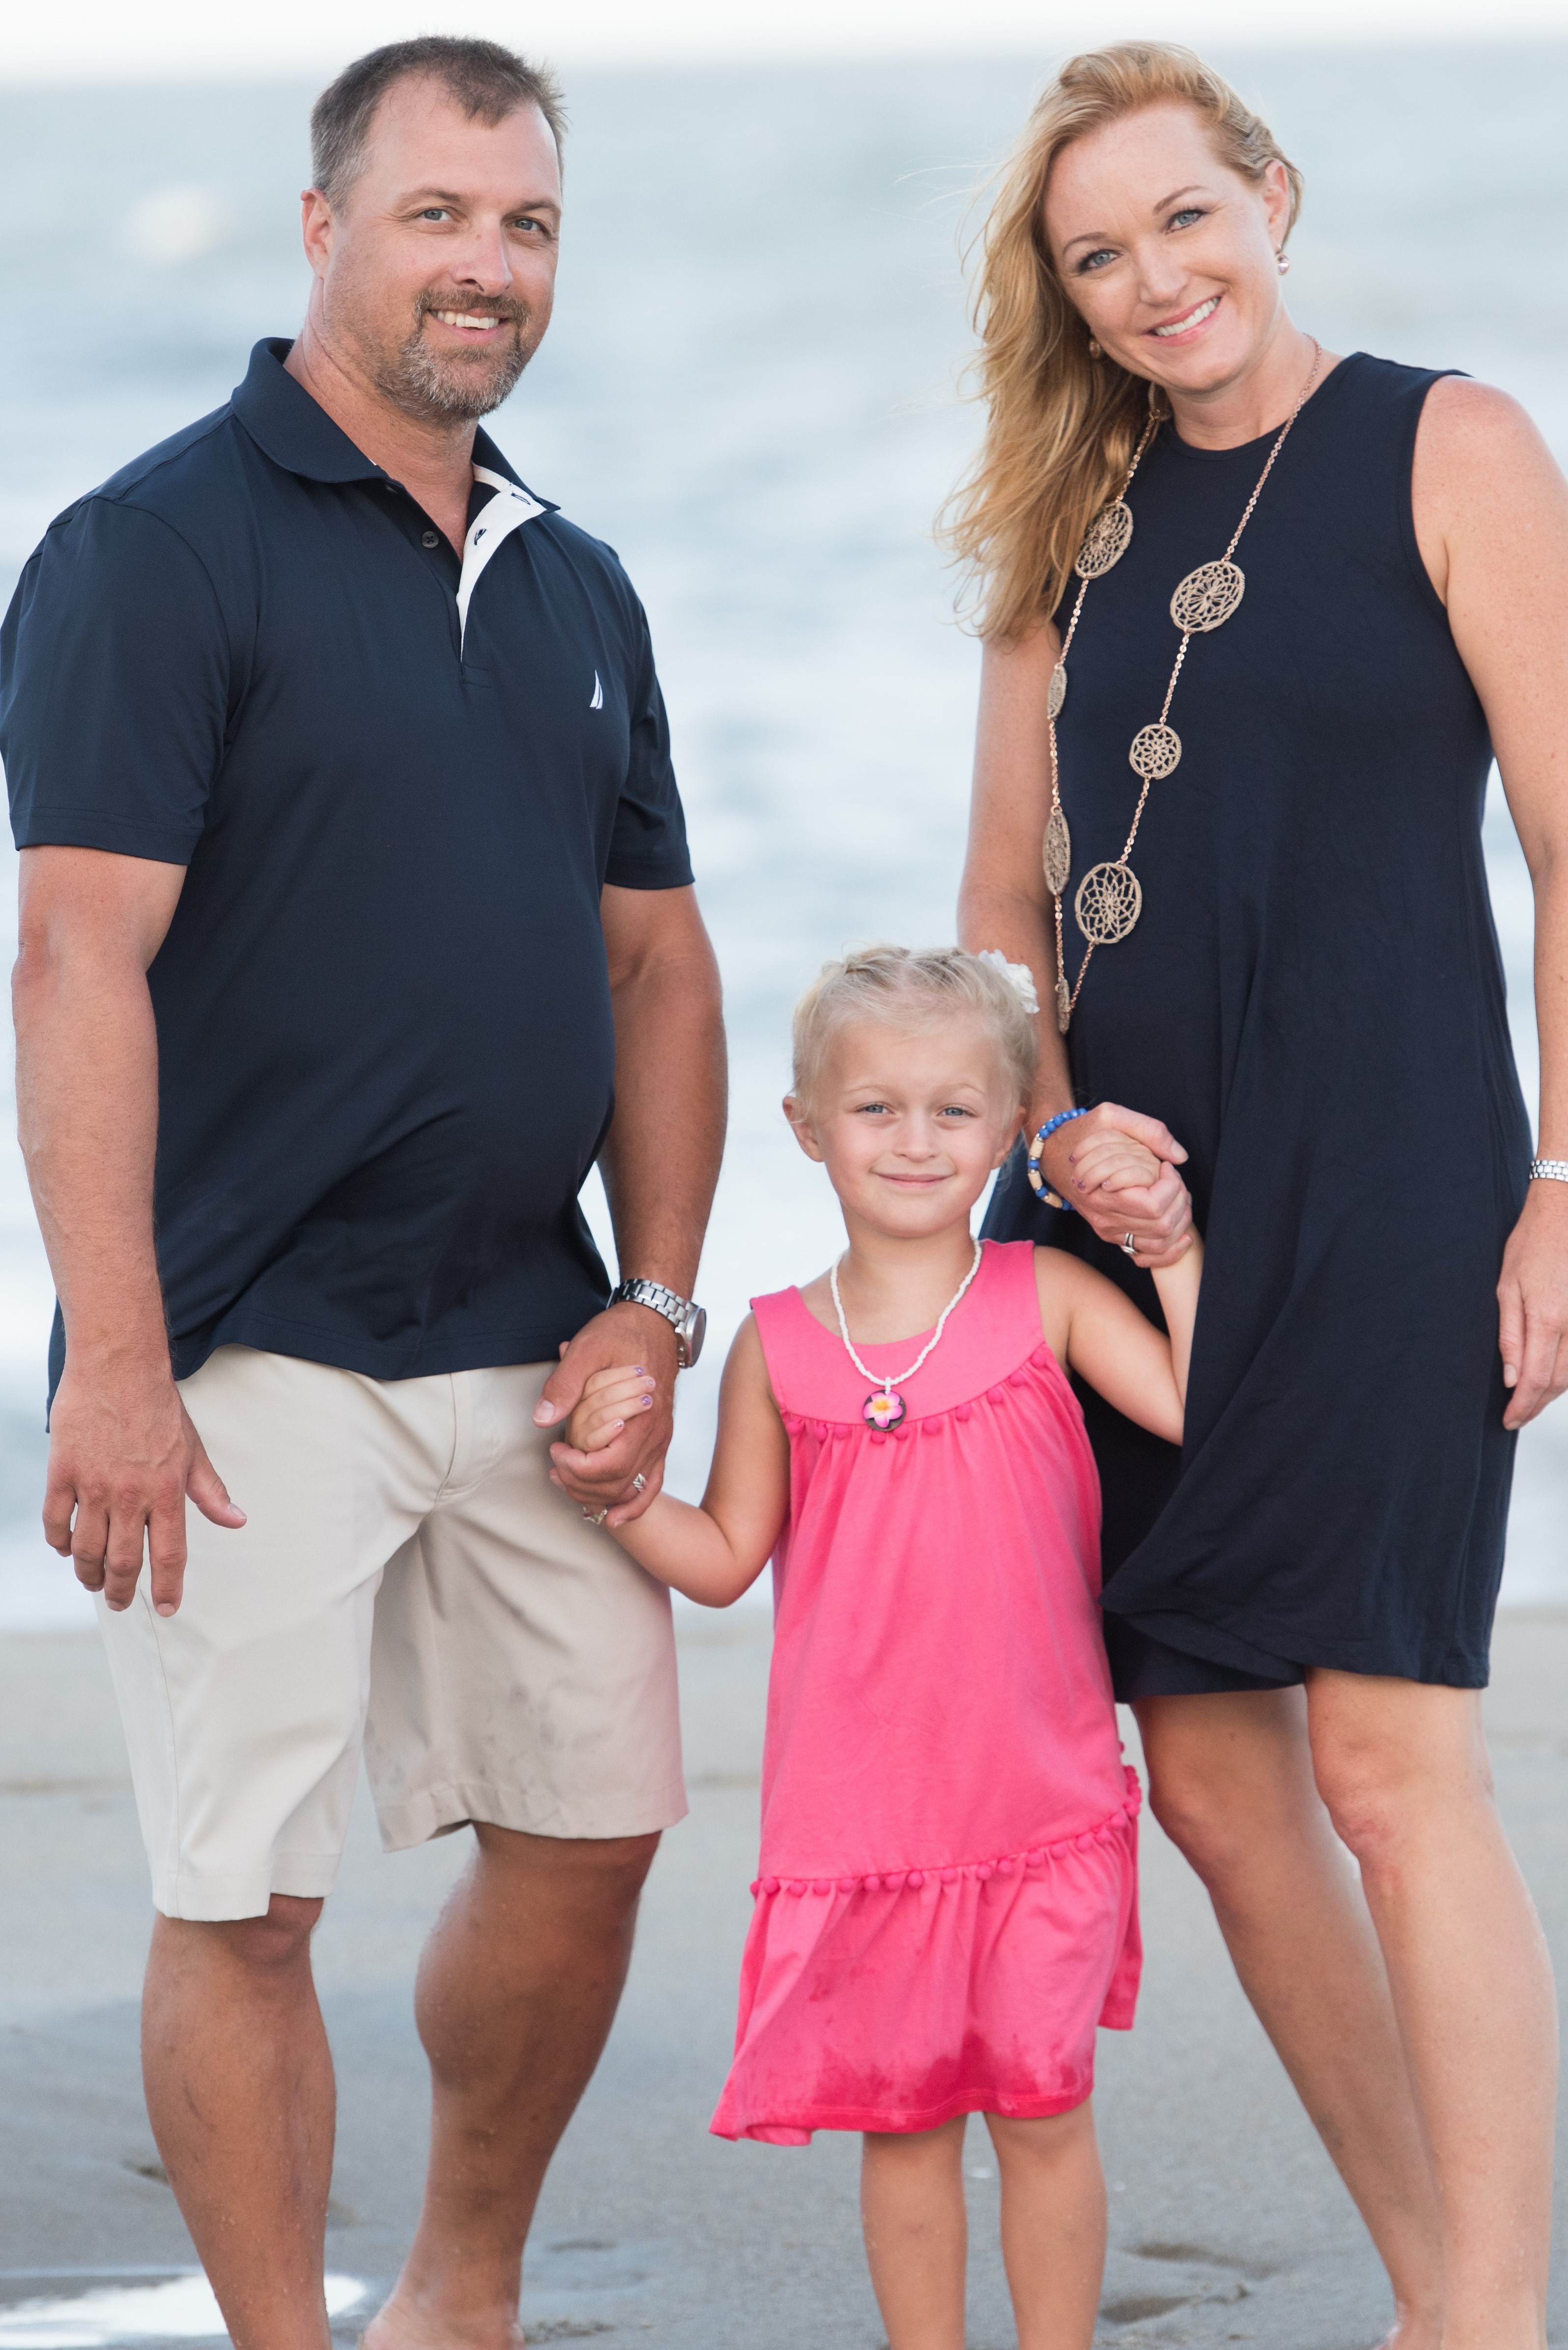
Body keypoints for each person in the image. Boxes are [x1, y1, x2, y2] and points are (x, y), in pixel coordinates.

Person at [1, 36, 725, 2350]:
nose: (485, 265)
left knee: (595, 1832)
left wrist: (663, 1302)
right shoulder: (151, 549)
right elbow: (74, 957)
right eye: (438, 216)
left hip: (531, 1325)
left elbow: (658, 963)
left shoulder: (576, 580)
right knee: (251, 1895)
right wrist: (117, 1356)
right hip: (241, 1345)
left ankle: (458, 2292)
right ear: (324, 228)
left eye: (525, 225)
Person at [949, 40, 1566, 2350]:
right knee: (1214, 1782)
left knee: (1392, 1760)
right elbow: (999, 899)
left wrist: (1566, 1180)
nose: (1155, 279)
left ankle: (1489, 2312)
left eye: (1186, 218)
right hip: (1113, 1210)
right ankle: (1431, 2284)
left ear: (1274, 197)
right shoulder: (1060, 516)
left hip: (1394, 1177)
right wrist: (1047, 1128)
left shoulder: (1452, 442)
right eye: (1098, 255)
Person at [565, 946, 1203, 2350]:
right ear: (806, 1127)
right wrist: (618, 1497)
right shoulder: (776, 1347)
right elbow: (724, 1560)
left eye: (955, 1110)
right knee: (902, 2128)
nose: (916, 1140)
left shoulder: (1046, 1298)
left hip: (1039, 1806)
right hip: (864, 1826)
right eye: (875, 1109)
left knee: (1045, 2108)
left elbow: (1195, 1408)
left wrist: (1173, 1254)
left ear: (1010, 1127)